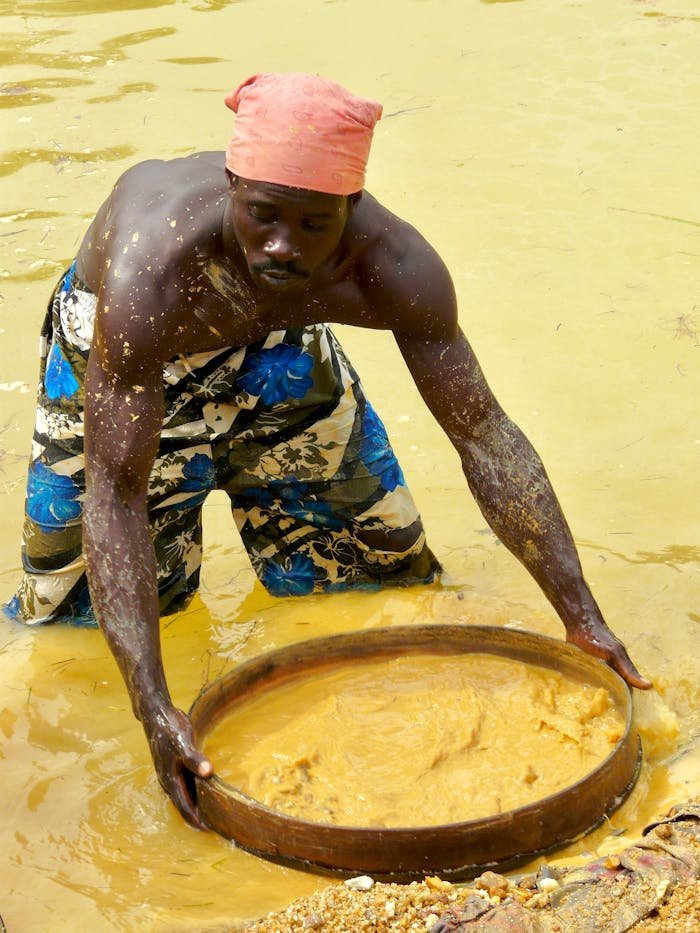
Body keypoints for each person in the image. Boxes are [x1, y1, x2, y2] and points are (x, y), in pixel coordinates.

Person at [3, 72, 651, 828]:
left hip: (273, 343)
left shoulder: (396, 267)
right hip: (123, 354)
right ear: (231, 188)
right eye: (262, 216)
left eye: (314, 225)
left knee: (368, 580)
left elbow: (484, 435)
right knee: (73, 636)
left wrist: (582, 615)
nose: (282, 245)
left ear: (352, 209)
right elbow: (115, 496)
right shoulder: (153, 269)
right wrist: (153, 707)